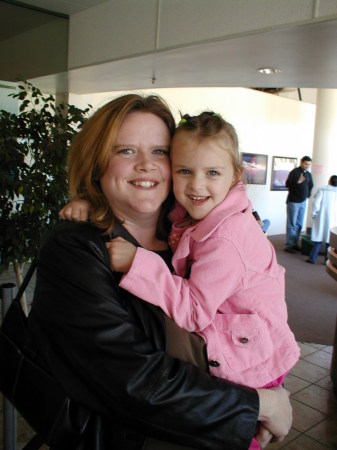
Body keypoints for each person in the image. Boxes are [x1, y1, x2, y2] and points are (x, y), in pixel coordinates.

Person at [36, 94, 295, 450]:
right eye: (126, 151)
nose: (146, 165)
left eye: (159, 152)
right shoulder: (75, 252)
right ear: (97, 164)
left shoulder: (188, 235)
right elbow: (127, 379)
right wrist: (259, 404)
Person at [284, 156, 314, 253]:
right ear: (301, 162)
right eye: (306, 164)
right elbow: (287, 184)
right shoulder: (294, 172)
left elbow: (311, 185)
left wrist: (308, 195)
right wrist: (297, 182)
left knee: (299, 224)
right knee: (292, 224)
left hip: (303, 202)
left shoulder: (308, 174)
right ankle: (289, 245)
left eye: (309, 164)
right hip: (293, 201)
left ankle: (295, 243)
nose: (307, 166)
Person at [306, 175, 337, 264]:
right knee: (330, 240)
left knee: (318, 239)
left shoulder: (322, 189)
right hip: (334, 219)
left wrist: (314, 214)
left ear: (329, 180)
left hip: (321, 216)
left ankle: (312, 258)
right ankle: (328, 260)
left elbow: (316, 203)